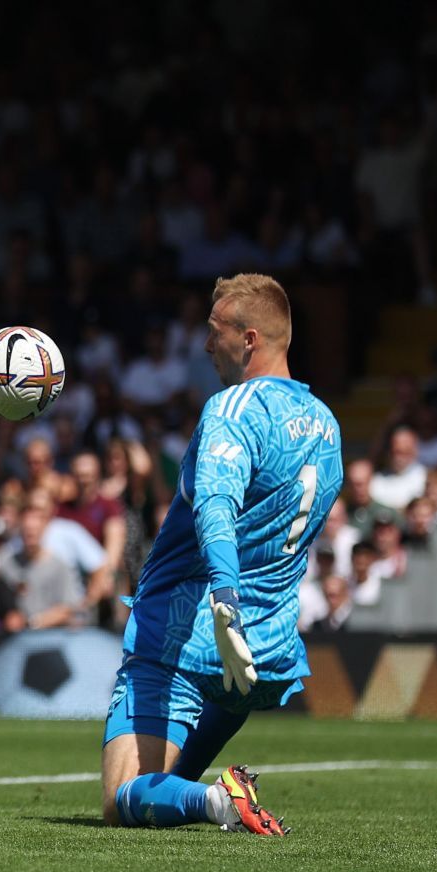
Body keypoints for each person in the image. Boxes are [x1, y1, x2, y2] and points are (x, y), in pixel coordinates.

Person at [102, 274, 343, 836]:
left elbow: (215, 503)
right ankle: (207, 797)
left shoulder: (233, 408)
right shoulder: (328, 426)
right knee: (166, 790)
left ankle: (219, 802)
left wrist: (225, 598)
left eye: (216, 333)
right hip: (261, 652)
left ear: (250, 339)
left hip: (191, 632)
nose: (207, 346)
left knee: (121, 801)